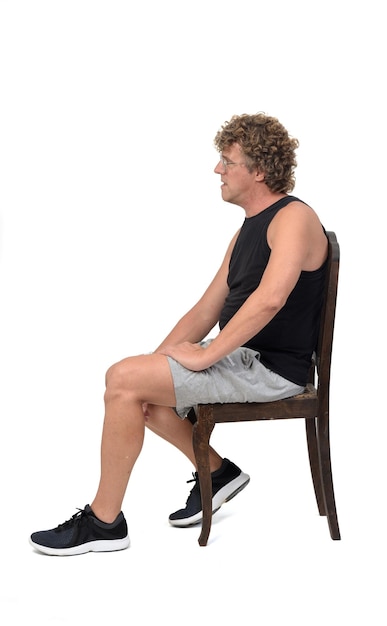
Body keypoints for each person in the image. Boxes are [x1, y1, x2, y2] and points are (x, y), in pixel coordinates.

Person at [30, 113, 329, 556]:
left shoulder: (294, 217)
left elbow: (271, 299)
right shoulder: (249, 227)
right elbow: (207, 309)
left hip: (270, 369)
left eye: (228, 162)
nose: (218, 171)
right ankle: (216, 472)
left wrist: (202, 360)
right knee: (133, 388)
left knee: (123, 379)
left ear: (259, 171)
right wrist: (158, 363)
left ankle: (105, 522)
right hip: (243, 357)